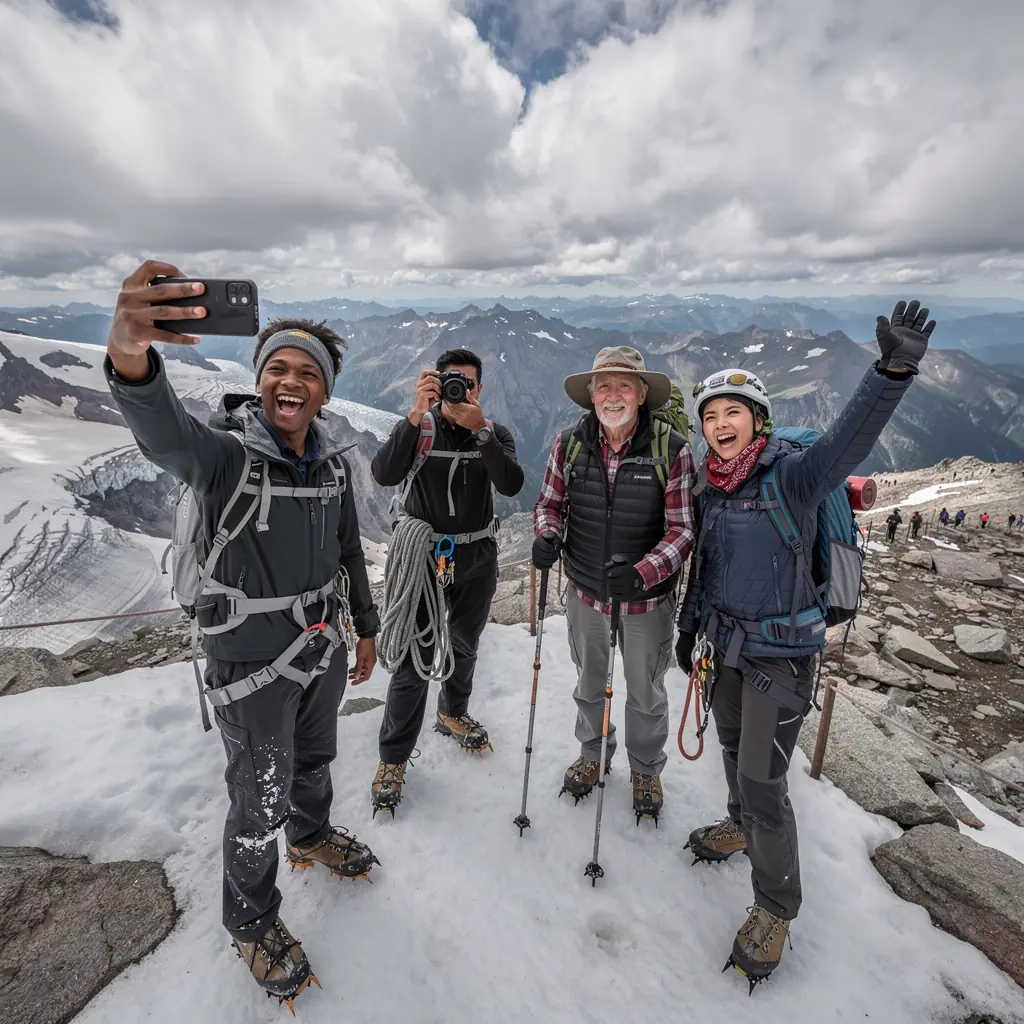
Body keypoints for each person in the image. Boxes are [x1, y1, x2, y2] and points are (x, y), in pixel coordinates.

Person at [104, 261, 380, 1007]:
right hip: (249, 659)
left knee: (314, 759)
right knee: (257, 796)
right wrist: (130, 346)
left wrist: (366, 627)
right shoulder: (226, 458)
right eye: (277, 370)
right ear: (260, 380)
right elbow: (161, 429)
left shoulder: (330, 465)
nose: (291, 383)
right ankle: (252, 920)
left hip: (320, 646)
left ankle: (312, 833)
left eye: (307, 374)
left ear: (323, 391)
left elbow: (349, 549)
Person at [677, 299, 936, 987]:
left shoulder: (792, 480)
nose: (720, 423)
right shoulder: (712, 486)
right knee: (733, 756)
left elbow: (846, 444)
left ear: (758, 422)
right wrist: (688, 631)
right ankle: (740, 827)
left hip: (779, 659)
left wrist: (892, 370)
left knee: (765, 785)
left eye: (733, 411)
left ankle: (775, 907)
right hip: (725, 649)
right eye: (710, 415)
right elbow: (706, 566)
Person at [533, 346, 696, 823]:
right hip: (585, 591)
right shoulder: (569, 444)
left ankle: (645, 767)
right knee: (589, 682)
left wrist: (643, 572)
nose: (613, 394)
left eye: (625, 385)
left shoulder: (673, 449)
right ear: (590, 394)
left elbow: (683, 530)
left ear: (643, 394)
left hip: (647, 600)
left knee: (645, 689)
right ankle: (593, 753)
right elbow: (549, 505)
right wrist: (548, 534)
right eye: (604, 385)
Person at [369, 348, 523, 815]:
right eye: (452, 381)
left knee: (465, 643)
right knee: (415, 659)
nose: (461, 390)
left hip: (477, 555)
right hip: (424, 557)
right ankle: (393, 758)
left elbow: (512, 483)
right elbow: (383, 473)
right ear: (434, 383)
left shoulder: (494, 434)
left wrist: (481, 433)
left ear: (480, 389)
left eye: (469, 384)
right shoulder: (421, 428)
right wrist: (415, 415)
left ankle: (452, 712)